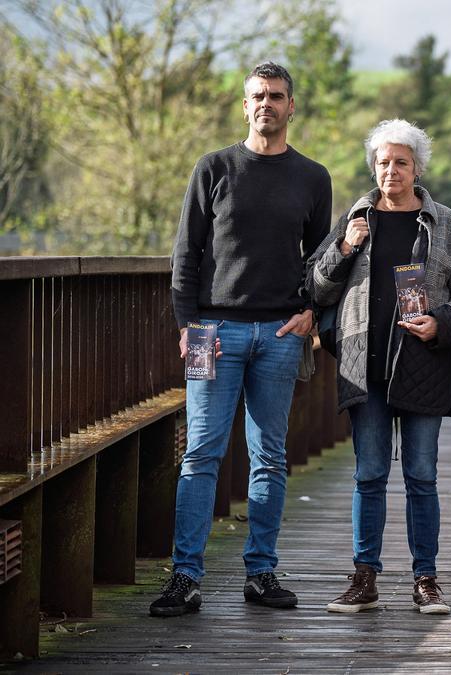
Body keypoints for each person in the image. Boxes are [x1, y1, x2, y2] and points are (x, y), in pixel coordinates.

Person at [154, 62, 332, 617]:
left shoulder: (313, 177)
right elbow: (185, 254)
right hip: (214, 332)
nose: (266, 105)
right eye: (257, 96)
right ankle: (185, 577)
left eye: (277, 96)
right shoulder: (213, 168)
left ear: (291, 106)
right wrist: (187, 326)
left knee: (269, 457)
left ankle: (261, 573)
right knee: (201, 454)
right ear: (245, 104)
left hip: (280, 335)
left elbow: (323, 261)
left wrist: (311, 313)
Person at [307, 119, 451, 615]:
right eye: (383, 163)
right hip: (365, 367)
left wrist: (443, 323)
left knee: (421, 475)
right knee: (370, 474)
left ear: (417, 168)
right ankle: (365, 577)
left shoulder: (445, 223)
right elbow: (316, 287)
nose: (391, 171)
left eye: (401, 163)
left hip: (424, 363)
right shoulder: (356, 218)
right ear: (374, 168)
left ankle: (426, 579)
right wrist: (344, 248)